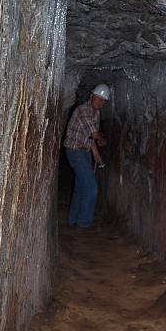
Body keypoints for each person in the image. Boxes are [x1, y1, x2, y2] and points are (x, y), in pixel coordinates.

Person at [64, 84, 110, 228]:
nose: (100, 102)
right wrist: (102, 140)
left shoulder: (96, 113)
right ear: (91, 96)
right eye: (98, 98)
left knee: (81, 186)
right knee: (91, 188)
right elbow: (94, 134)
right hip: (75, 151)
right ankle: (84, 222)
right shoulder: (83, 110)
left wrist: (95, 153)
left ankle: (72, 220)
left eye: (103, 100)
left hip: (84, 151)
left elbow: (89, 137)